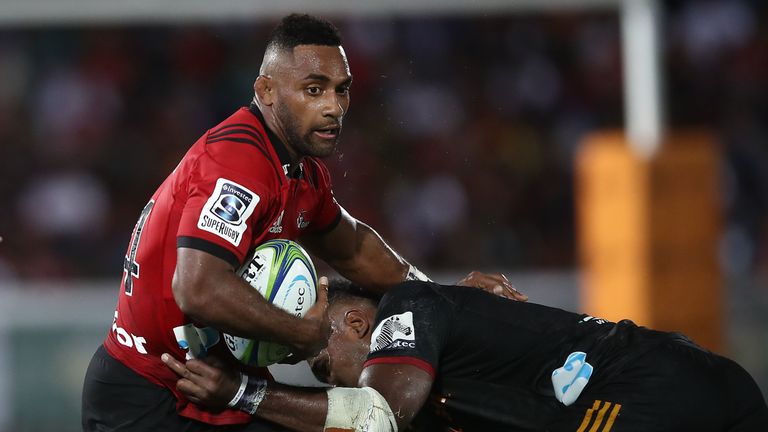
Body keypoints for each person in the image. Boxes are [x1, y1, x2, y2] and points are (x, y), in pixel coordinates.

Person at [80, 14, 524, 432]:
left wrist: (442, 301)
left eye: (341, 90)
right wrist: (303, 334)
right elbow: (197, 288)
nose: (334, 107)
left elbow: (355, 249)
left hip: (215, 391)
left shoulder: (301, 173)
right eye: (314, 90)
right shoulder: (239, 162)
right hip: (147, 399)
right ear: (267, 90)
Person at [164, 279, 768, 432]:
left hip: (653, 384)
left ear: (356, 322)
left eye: (324, 365)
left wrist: (242, 393)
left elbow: (371, 418)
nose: (329, 382)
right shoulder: (433, 388)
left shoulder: (405, 308)